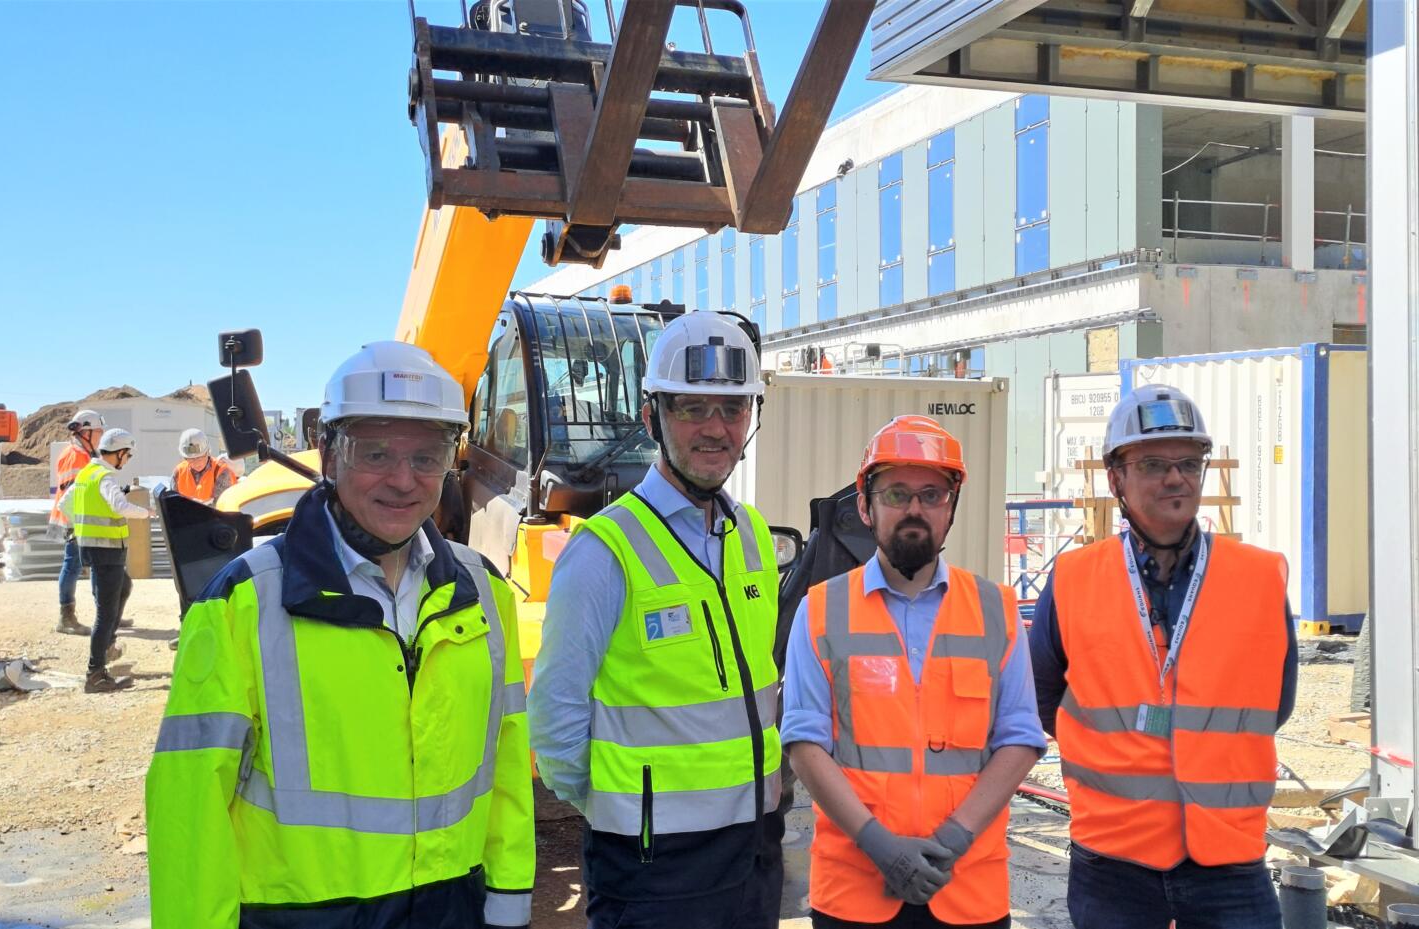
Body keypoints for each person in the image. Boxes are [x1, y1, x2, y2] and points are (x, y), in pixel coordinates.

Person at [145, 341, 534, 929]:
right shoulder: (243, 604)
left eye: (426, 456)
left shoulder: (482, 592)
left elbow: (504, 762)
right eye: (375, 453)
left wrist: (508, 905)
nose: (403, 480)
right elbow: (189, 802)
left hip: (451, 911)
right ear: (328, 454)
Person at [529, 311, 784, 929]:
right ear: (652, 417)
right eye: (692, 408)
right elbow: (555, 723)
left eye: (732, 408)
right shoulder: (605, 551)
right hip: (653, 867)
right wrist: (624, 810)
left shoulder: (751, 533)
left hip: (755, 850)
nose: (715, 428)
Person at [1028, 384, 1298, 929]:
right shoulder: (1075, 579)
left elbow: (1277, 703)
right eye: (1153, 464)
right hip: (1113, 858)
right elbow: (1043, 697)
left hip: (1230, 859)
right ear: (1116, 480)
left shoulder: (1259, 576)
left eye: (1189, 463)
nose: (1176, 478)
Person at [784, 416, 1045, 929]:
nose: (914, 509)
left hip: (967, 889)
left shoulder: (996, 610)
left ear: (951, 507)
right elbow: (804, 743)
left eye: (932, 495)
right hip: (855, 891)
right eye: (896, 494)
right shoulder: (821, 610)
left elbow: (1019, 739)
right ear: (866, 506)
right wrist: (878, 845)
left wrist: (954, 840)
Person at [59, 428, 152, 693]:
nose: (127, 460)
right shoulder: (105, 478)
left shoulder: (87, 473)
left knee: (124, 586)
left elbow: (65, 504)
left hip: (92, 547)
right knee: (105, 613)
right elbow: (120, 507)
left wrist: (83, 527)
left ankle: (107, 645)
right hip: (107, 550)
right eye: (127, 455)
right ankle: (96, 673)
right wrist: (146, 512)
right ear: (119, 453)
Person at [49, 409, 105, 636]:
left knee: (97, 565)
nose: (101, 436)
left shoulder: (85, 454)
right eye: (98, 432)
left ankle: (106, 613)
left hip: (85, 520)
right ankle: (66, 617)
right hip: (75, 521)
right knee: (72, 565)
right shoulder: (75, 456)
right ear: (85, 433)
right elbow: (73, 494)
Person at [171, 428, 235, 505]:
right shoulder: (178, 472)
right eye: (191, 459)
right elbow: (172, 503)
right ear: (185, 458)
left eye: (200, 457)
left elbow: (222, 505)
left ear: (208, 452)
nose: (196, 463)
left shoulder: (221, 471)